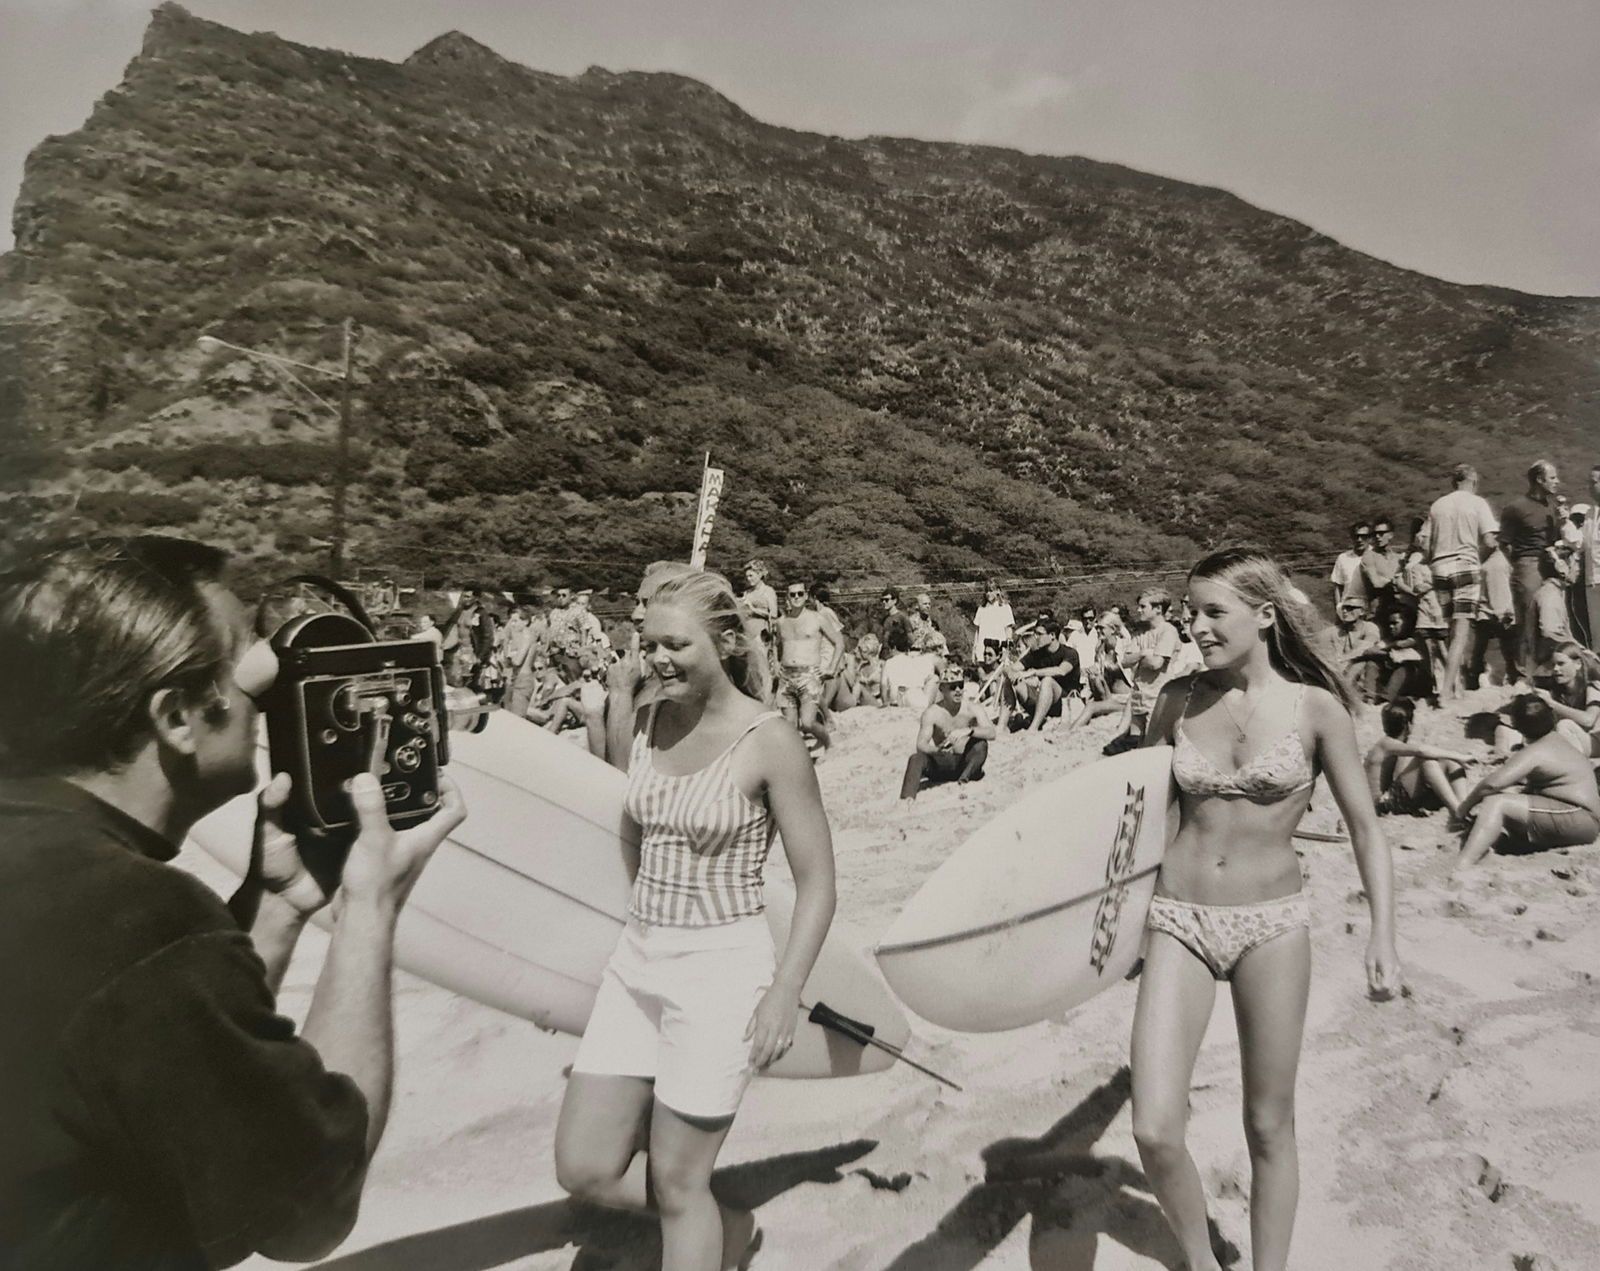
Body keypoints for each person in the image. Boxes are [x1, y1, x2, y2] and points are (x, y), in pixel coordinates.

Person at [0, 536, 466, 1269]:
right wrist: (370, 903)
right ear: (177, 716)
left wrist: (274, 907)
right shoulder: (140, 916)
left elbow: (157, 1065)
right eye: (251, 671)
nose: (270, 704)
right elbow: (307, 1206)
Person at [555, 569, 836, 1271]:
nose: (657, 659)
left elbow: (819, 882)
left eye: (675, 644)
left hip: (720, 968)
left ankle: (704, 1230)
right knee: (583, 1166)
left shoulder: (769, 741)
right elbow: (620, 823)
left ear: (728, 640)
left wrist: (784, 989)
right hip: (636, 962)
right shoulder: (647, 719)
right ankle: (726, 1225)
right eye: (647, 644)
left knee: (681, 1181)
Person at [1133, 548, 1399, 1271]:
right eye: (1191, 612)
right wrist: (1121, 920)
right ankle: (1196, 1260)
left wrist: (1383, 932)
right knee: (1155, 1128)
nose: (1197, 626)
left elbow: (1367, 828)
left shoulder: (1316, 709)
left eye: (1213, 611)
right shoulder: (1177, 700)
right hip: (1178, 918)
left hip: (1271, 925)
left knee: (1268, 1125)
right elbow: (1137, 813)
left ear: (1264, 614)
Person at [1453, 694, 1600, 874]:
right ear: (1552, 717)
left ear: (1516, 726)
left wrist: (1463, 808)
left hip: (1578, 817)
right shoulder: (1555, 740)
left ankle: (1462, 864)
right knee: (1507, 800)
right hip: (1581, 817)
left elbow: (1491, 784)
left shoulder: (1536, 750)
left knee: (1497, 803)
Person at [1416, 464, 1498, 700]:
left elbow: (1424, 541)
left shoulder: (1438, 505)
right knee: (1461, 632)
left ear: (1454, 482)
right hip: (1465, 565)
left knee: (1450, 629)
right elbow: (1490, 541)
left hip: (1440, 568)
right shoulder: (1477, 503)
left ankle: (1455, 685)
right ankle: (1446, 691)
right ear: (1474, 481)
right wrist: (1478, 557)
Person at [1500, 460, 1563, 684]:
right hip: (1527, 566)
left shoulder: (1552, 508)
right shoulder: (1516, 508)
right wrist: (1520, 564)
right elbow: (1504, 543)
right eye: (1553, 477)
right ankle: (1520, 674)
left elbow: (1555, 540)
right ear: (1539, 479)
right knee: (1527, 620)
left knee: (1548, 621)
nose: (1558, 482)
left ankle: (1542, 671)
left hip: (1549, 566)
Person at [1364, 697, 1473, 819]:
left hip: (1391, 798)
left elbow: (1399, 775)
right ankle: (1457, 811)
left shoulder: (1391, 744)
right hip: (1382, 804)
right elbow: (1421, 750)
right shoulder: (1385, 744)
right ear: (1409, 725)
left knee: (1450, 763)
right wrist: (1459, 756)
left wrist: (1454, 758)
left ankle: (1463, 807)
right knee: (1425, 760)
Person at [898, 662, 995, 799]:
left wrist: (969, 731)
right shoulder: (932, 713)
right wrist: (937, 751)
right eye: (952, 687)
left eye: (960, 686)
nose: (958, 690)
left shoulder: (972, 708)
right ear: (942, 688)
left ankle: (963, 781)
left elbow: (992, 732)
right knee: (916, 759)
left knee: (981, 745)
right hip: (942, 762)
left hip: (966, 763)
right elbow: (921, 744)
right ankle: (907, 798)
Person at [774, 579, 845, 754]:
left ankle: (828, 743)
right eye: (793, 594)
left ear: (806, 596)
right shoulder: (781, 622)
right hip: (786, 676)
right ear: (788, 598)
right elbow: (776, 645)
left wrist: (831, 668)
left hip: (809, 674)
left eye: (800, 593)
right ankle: (798, 758)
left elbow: (839, 642)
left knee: (807, 723)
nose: (797, 597)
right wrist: (775, 664)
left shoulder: (817, 618)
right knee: (790, 727)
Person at [1107, 587, 1181, 755]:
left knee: (1154, 749)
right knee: (1136, 747)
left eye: (1143, 606)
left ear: (1158, 609)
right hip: (1139, 696)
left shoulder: (1168, 631)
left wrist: (1140, 656)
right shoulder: (1141, 632)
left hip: (1158, 697)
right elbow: (1125, 661)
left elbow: (1156, 663)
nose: (1138, 610)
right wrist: (1143, 653)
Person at [1327, 596, 1381, 702]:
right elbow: (1318, 638)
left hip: (1366, 667)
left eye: (1350, 608)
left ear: (1361, 611)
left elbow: (1365, 648)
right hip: (1343, 666)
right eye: (1344, 608)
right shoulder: (1337, 630)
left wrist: (1342, 659)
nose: (1345, 611)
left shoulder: (1370, 627)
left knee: (1360, 663)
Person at [1360, 517, 1404, 623]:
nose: (1377, 537)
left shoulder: (1398, 558)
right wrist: (1395, 581)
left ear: (1390, 535)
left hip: (1397, 610)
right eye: (1375, 534)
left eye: (1381, 533)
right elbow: (1376, 583)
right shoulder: (1369, 556)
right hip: (1377, 612)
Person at [1329, 522, 1372, 611]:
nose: (1359, 540)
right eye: (1356, 536)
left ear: (1370, 538)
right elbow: (1338, 586)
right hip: (1348, 610)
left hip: (1371, 609)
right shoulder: (1343, 558)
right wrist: (1339, 608)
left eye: (1363, 536)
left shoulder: (1376, 556)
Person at [972, 584, 1015, 661]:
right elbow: (977, 631)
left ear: (997, 591)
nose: (988, 594)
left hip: (999, 651)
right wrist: (974, 649)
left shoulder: (1005, 608)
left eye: (991, 591)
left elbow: (1008, 630)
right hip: (982, 651)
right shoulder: (981, 609)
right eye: (987, 591)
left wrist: (1006, 650)